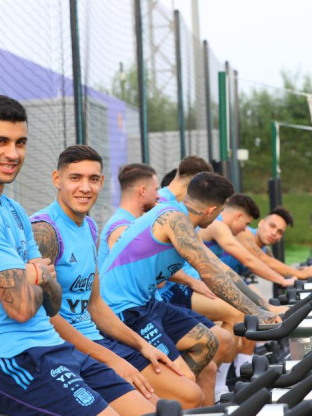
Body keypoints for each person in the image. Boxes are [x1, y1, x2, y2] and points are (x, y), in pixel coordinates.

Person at [0, 95, 151, 416]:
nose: (12, 153)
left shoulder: (14, 210)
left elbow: (52, 303)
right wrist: (37, 273)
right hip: (7, 357)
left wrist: (31, 277)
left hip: (53, 346)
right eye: (1, 141)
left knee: (150, 410)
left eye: (20, 143)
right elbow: (21, 308)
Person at [30, 146, 204, 409]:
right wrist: (112, 359)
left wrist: (141, 345)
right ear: (57, 179)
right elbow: (46, 318)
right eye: (75, 178)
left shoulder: (89, 227)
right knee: (164, 405)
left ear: (101, 182)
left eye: (93, 179)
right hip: (67, 350)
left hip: (99, 339)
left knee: (189, 393)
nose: (85, 187)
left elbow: (96, 304)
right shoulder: (44, 230)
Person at [100, 172, 279, 405]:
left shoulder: (183, 221)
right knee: (186, 386)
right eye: (220, 211)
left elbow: (221, 269)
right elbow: (210, 274)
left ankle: (175, 397)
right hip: (123, 311)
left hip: (147, 304)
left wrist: (263, 308)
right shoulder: (174, 219)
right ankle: (168, 397)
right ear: (211, 210)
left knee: (207, 343)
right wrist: (257, 313)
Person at [98, 163, 160, 269]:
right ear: (143, 191)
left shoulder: (133, 222)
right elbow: (154, 276)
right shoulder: (122, 228)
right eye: (156, 190)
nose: (158, 196)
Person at [233, 207, 312, 280]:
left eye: (280, 232)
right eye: (272, 226)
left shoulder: (266, 251)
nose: (274, 233)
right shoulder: (244, 232)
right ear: (261, 223)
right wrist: (301, 274)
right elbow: (265, 260)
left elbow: (278, 270)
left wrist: (305, 270)